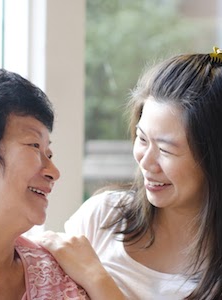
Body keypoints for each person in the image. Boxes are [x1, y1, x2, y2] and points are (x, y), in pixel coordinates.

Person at [0, 69, 125, 299]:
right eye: (34, 146)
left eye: (49, 153)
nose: (54, 172)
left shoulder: (59, 280)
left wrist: (96, 277)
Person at [39, 47, 222, 300]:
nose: (146, 162)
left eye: (166, 150)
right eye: (142, 138)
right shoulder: (101, 217)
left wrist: (98, 279)